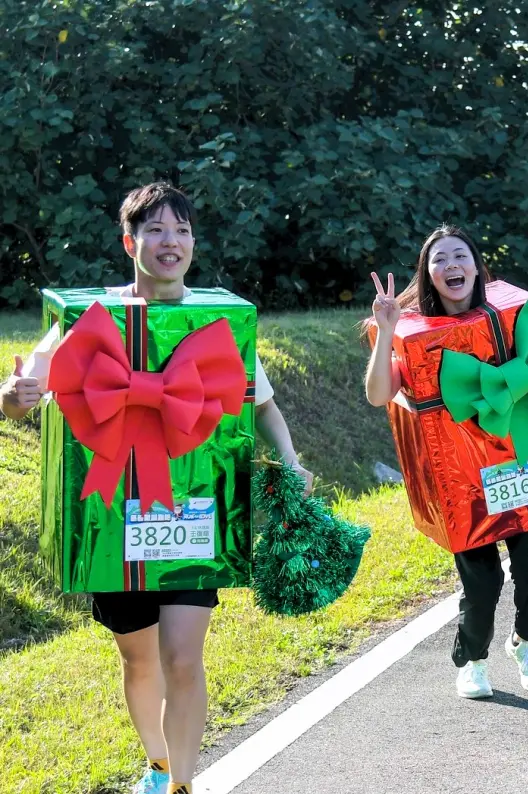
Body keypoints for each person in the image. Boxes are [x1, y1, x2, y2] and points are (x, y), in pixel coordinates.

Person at [0, 182, 313, 794]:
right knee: (139, 658)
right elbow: (26, 381)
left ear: (193, 243)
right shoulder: (91, 316)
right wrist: (15, 396)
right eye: (156, 230)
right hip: (110, 517)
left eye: (182, 231)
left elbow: (262, 406)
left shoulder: (217, 322)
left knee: (181, 655)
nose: (171, 242)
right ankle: (159, 761)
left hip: (193, 514)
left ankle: (184, 785)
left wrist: (290, 460)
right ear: (130, 242)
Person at [364, 224, 528, 699]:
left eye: (459, 255)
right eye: (439, 259)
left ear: (477, 266)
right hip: (462, 482)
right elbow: (379, 393)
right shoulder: (419, 340)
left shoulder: (512, 319)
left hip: (523, 466)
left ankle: (525, 644)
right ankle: (472, 658)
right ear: (427, 274)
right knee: (482, 583)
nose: (451, 266)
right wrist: (385, 334)